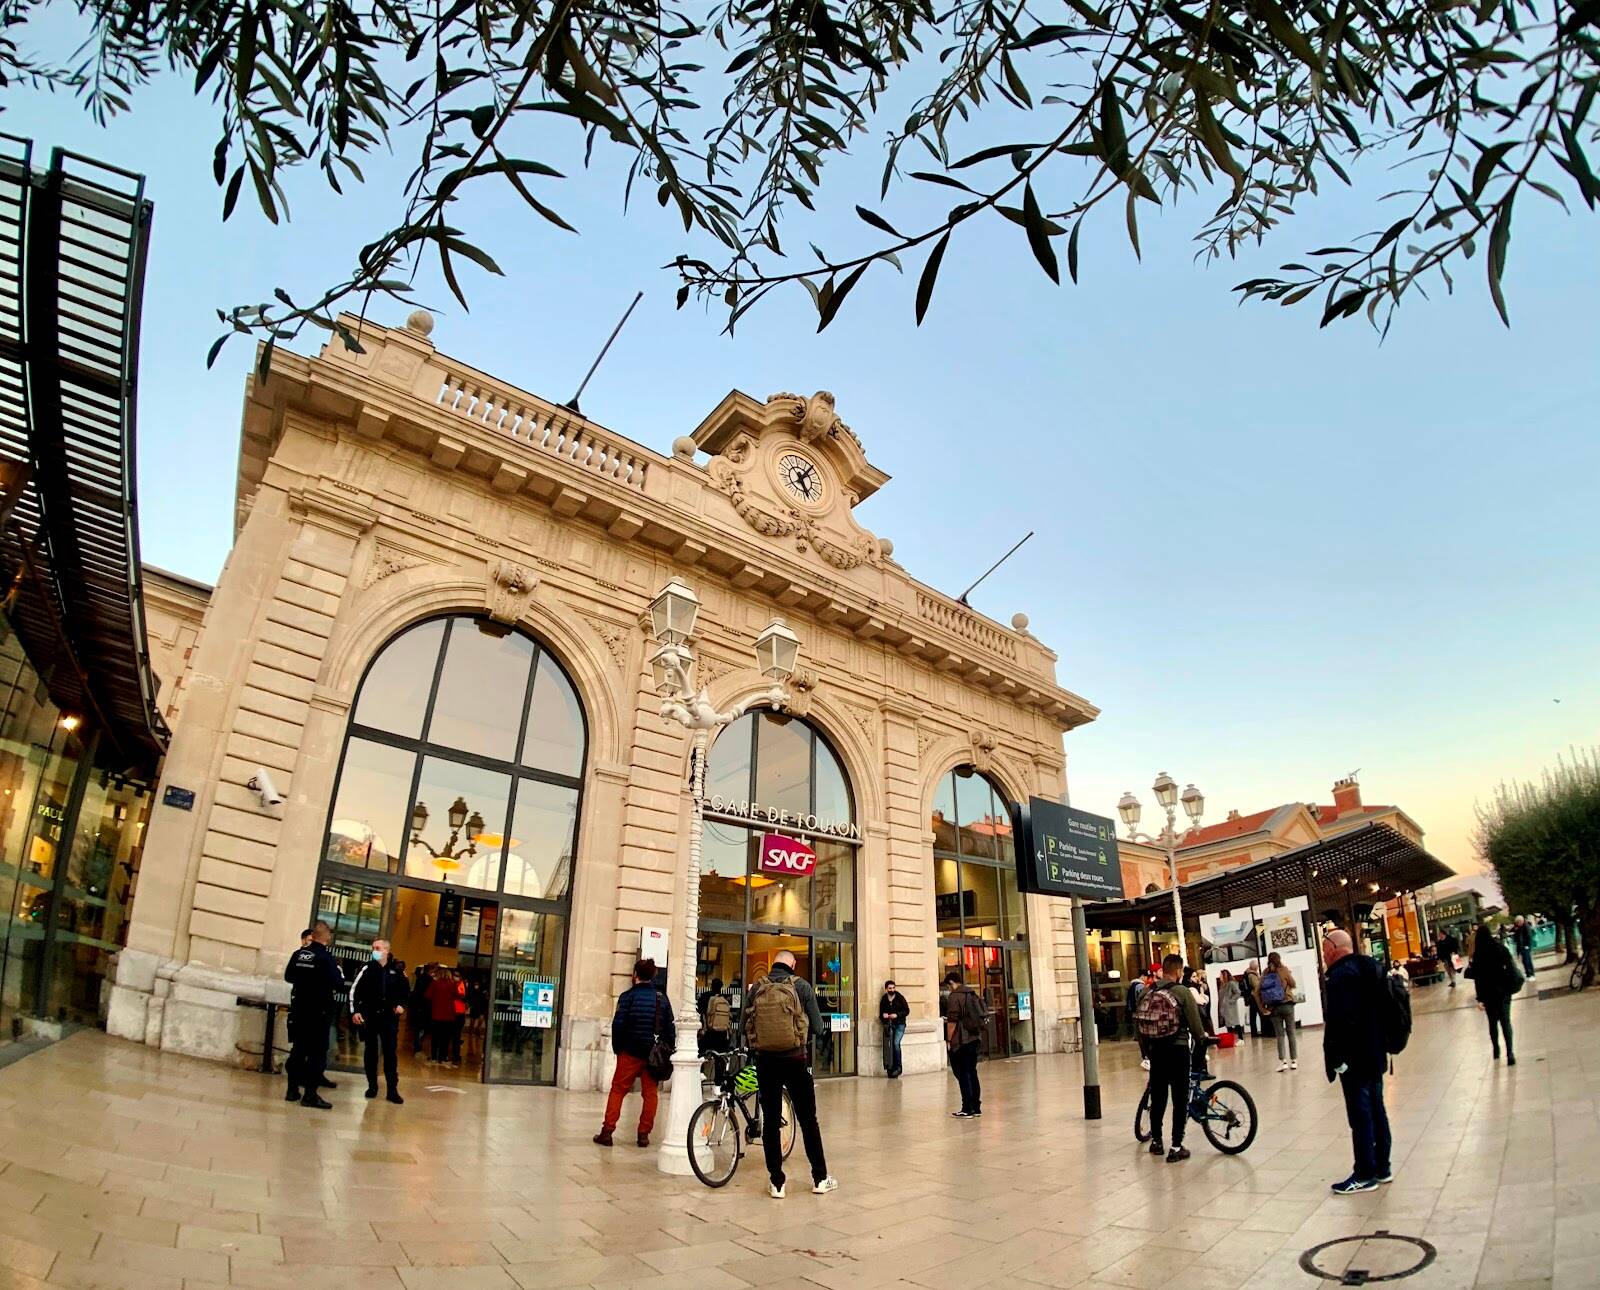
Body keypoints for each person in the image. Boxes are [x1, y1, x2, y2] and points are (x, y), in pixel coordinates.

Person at [744, 951, 837, 1198]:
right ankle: (820, 1178)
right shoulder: (802, 986)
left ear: (774, 962)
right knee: (808, 1121)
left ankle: (777, 1183)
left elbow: (747, 1024)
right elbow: (817, 1026)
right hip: (795, 1060)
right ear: (793, 964)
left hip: (766, 1063)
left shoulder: (757, 988)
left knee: (771, 1123)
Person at [1322, 929, 1392, 1194]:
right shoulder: (1371, 968)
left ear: (1335, 948)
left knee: (1360, 1115)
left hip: (1355, 1059)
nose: (1324, 954)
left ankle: (1365, 1173)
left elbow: (1342, 1021)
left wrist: (1337, 1060)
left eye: (1325, 948)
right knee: (1377, 1110)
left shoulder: (1341, 976)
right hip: (1375, 1053)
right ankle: (1382, 1166)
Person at [1135, 954, 1207, 1163]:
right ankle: (1176, 1146)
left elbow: (1138, 1024)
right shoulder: (1182, 992)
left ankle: (1157, 1141)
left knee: (1158, 1096)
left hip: (1156, 1050)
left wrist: (1147, 1051)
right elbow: (1195, 1026)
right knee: (1180, 1098)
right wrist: (1203, 1039)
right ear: (1178, 971)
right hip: (1178, 1050)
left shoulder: (1147, 991)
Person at [595, 958, 673, 1148]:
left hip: (629, 1051)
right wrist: (667, 1050)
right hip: (652, 1053)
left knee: (618, 1090)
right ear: (653, 976)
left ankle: (607, 1131)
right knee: (650, 1094)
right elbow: (669, 1028)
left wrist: (618, 1048)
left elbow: (618, 1024)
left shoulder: (627, 997)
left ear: (635, 975)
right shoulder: (661, 998)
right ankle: (643, 1134)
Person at [283, 921, 345, 1109]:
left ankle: (292, 1090)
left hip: (299, 1009)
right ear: (326, 936)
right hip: (318, 1013)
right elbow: (338, 983)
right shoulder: (325, 957)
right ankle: (310, 1094)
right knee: (317, 1054)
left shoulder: (299, 954)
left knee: (298, 1051)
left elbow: (288, 976)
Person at [349, 938, 407, 1103]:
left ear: (386, 951)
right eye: (373, 948)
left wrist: (402, 1005)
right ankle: (372, 1086)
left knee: (390, 1053)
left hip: (389, 1018)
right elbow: (354, 991)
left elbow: (405, 992)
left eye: (378, 948)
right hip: (371, 1017)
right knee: (371, 1052)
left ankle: (392, 1089)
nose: (375, 950)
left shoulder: (396, 971)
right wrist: (355, 1011)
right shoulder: (366, 969)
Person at [1466, 922, 1521, 1064]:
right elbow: (1510, 966)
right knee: (1506, 1021)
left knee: (1492, 1023)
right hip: (1503, 991)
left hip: (1488, 994)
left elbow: (1477, 979)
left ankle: (1496, 1049)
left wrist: (1480, 998)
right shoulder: (1500, 948)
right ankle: (1510, 1053)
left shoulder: (1478, 955)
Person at [941, 970, 986, 1117]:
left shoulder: (955, 996)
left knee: (963, 1073)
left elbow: (952, 1021)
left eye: (948, 986)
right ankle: (976, 1107)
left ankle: (967, 1108)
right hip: (974, 1038)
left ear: (952, 983)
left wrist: (948, 1040)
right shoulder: (972, 994)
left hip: (962, 1040)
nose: (949, 989)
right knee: (972, 1072)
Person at [1259, 952, 1299, 1071]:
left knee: (1280, 1035)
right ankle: (1294, 1061)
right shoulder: (1284, 970)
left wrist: (1263, 1008)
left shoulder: (1265, 973)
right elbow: (1293, 983)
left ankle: (1283, 1062)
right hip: (1287, 1004)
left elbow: (1259, 990)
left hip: (1273, 1007)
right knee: (1291, 1032)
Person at [426, 968, 461, 1065]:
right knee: (445, 1038)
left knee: (435, 1037)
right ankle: (443, 1056)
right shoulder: (452, 984)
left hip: (436, 1014)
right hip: (449, 1015)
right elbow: (457, 996)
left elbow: (428, 995)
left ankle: (433, 1056)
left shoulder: (435, 983)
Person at [877, 979, 910, 1078]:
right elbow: (881, 1014)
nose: (892, 990)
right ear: (886, 989)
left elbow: (907, 1011)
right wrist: (884, 1016)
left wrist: (897, 1015)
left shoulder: (900, 998)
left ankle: (898, 1067)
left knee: (896, 1044)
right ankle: (890, 1068)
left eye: (893, 988)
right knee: (889, 1046)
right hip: (889, 1025)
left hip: (900, 1024)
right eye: (890, 988)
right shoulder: (884, 999)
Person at [702, 977, 734, 1056]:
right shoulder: (724, 999)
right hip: (722, 1034)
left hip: (709, 1033)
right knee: (721, 1056)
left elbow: (700, 1012)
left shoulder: (705, 996)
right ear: (721, 987)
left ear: (711, 986)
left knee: (706, 1055)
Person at [1216, 970, 1244, 1038]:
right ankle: (1231, 1039)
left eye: (1221, 975)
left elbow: (1238, 992)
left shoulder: (1231, 983)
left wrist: (1231, 1000)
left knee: (1235, 1023)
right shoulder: (1222, 985)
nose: (1220, 977)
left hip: (1230, 1007)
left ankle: (1240, 1039)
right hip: (1224, 1008)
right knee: (1228, 1024)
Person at [1243, 961, 1263, 1038]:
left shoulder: (1247, 973)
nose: (1257, 968)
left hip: (1251, 998)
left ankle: (1254, 1032)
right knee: (1261, 1014)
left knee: (1252, 1016)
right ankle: (1262, 1031)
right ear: (1254, 967)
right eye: (1257, 966)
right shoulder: (1252, 975)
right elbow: (1256, 986)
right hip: (1255, 997)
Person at [1512, 915, 1536, 980]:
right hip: (1522, 947)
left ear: (1521, 921)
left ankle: (1531, 974)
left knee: (1527, 960)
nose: (1517, 924)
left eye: (1518, 923)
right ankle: (1528, 973)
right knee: (1524, 961)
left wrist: (1527, 945)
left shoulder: (1526, 926)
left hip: (1526, 947)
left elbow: (1529, 937)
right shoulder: (1519, 927)